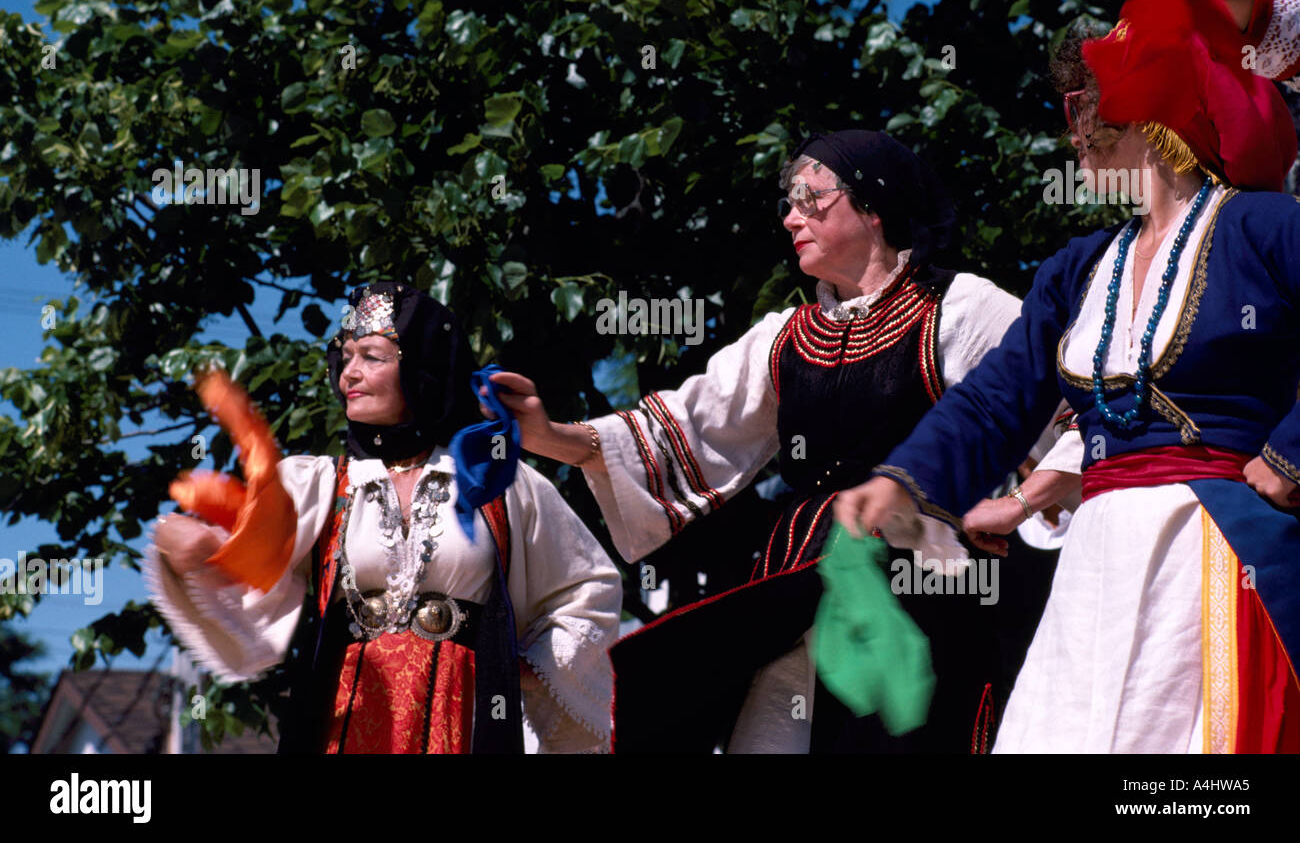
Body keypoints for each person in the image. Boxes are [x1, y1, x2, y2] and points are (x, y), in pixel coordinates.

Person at [835, 0, 1300, 753]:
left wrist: (1284, 461)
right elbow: (995, 399)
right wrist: (903, 479)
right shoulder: (1078, 268)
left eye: (1087, 103)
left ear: (1148, 111)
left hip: (1216, 558)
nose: (1073, 132)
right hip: (1094, 571)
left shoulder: (1264, 230)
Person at [489, 130, 1080, 752]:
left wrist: (1018, 502)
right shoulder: (785, 336)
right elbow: (681, 431)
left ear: (874, 206)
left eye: (810, 197)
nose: (792, 217)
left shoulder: (960, 309)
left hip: (921, 590)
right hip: (795, 587)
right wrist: (547, 435)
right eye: (787, 202)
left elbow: (1075, 412)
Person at [145, 281, 621, 753]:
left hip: (464, 725)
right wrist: (185, 547)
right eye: (345, 356)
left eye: (372, 357)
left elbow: (589, 587)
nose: (348, 374)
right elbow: (246, 571)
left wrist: (526, 670)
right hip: (349, 721)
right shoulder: (319, 484)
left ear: (423, 367)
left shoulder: (496, 482)